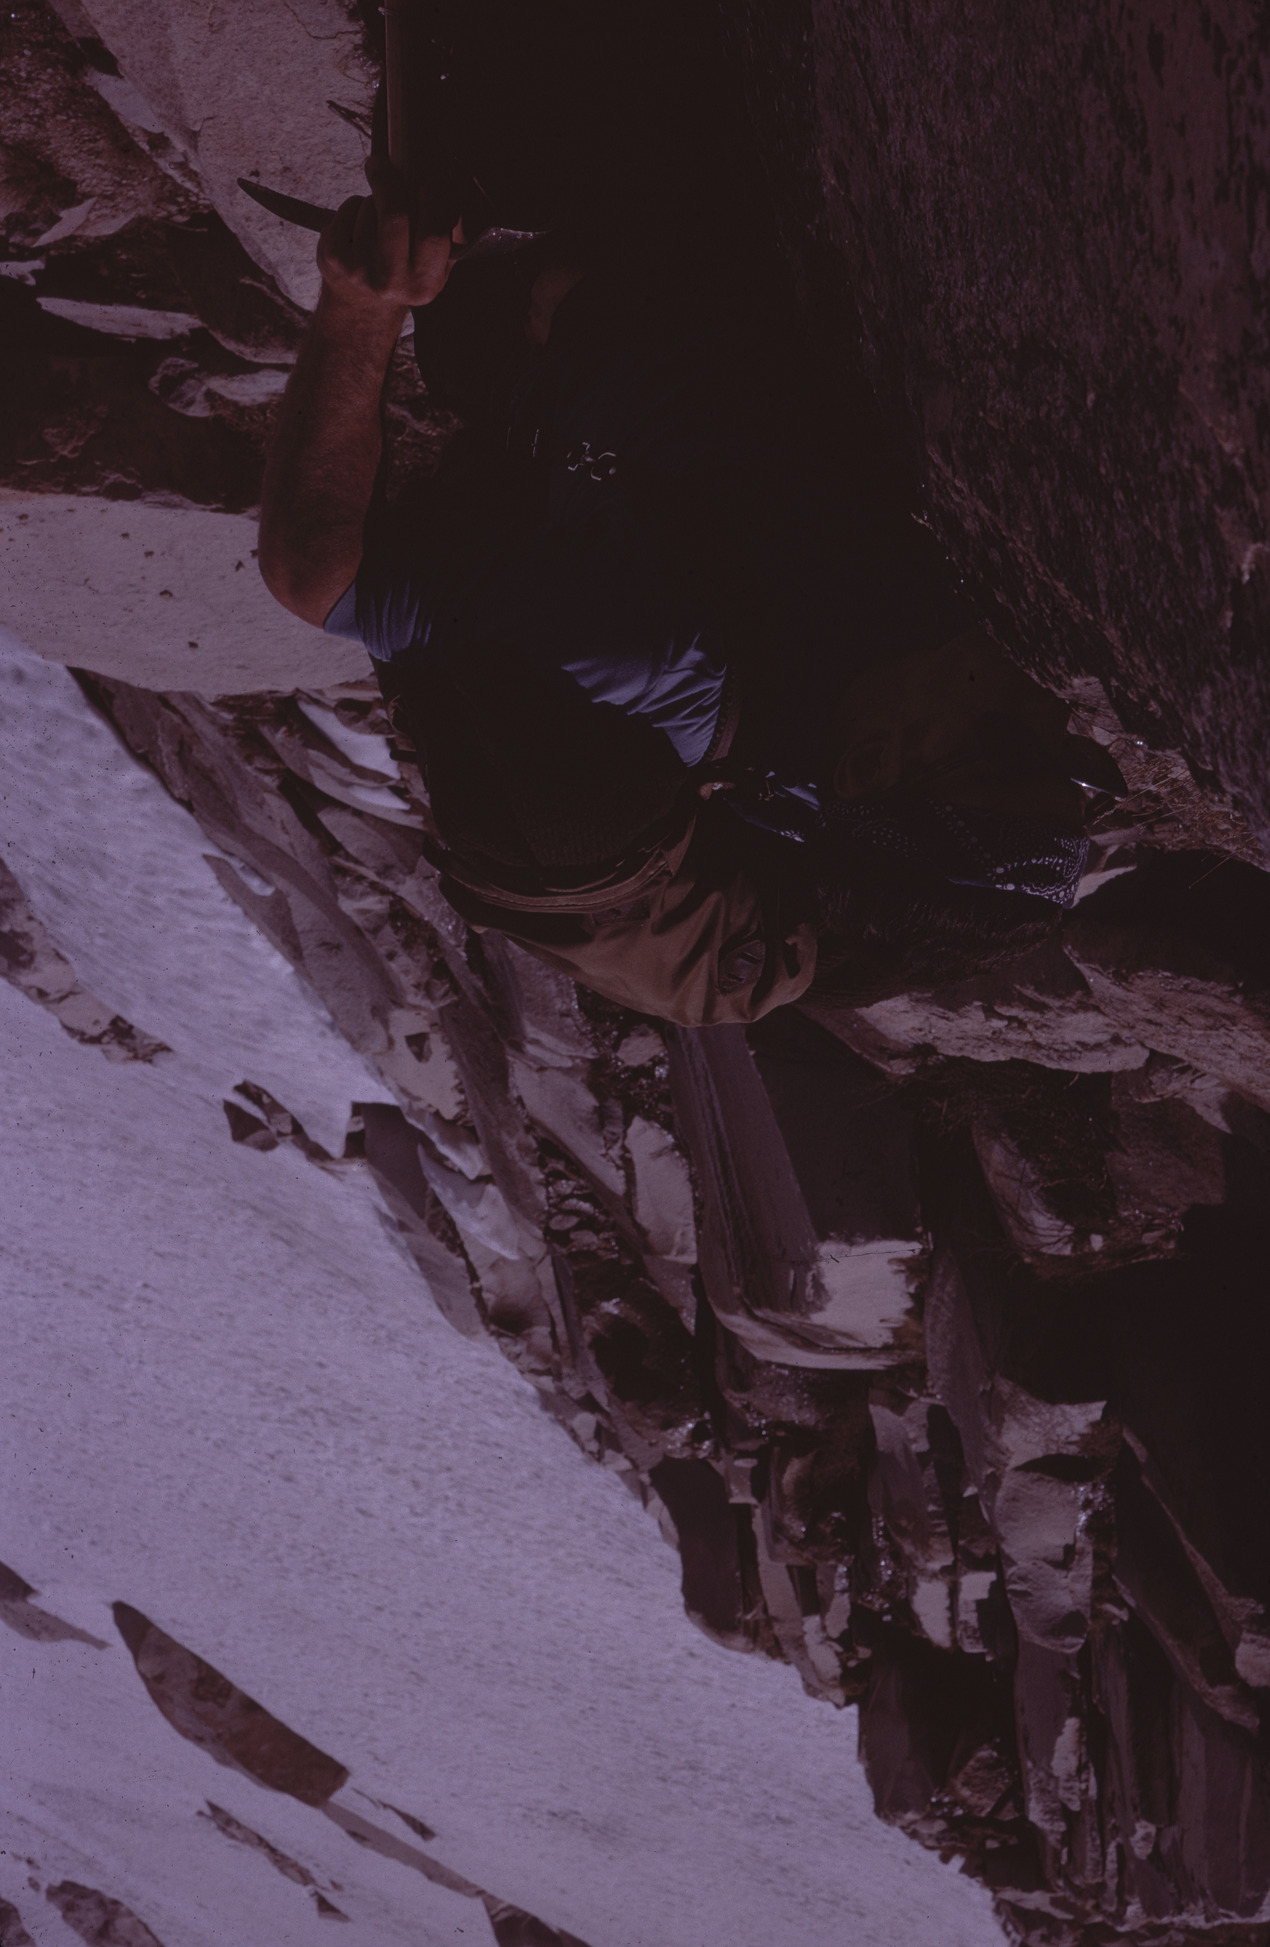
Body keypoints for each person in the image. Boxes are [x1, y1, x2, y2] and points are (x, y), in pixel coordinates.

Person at [260, 147, 1119, 1027]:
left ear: (870, 763)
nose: (1056, 714)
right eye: (1077, 769)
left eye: (1012, 745)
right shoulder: (934, 678)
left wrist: (363, 306)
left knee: (565, 289)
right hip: (660, 427)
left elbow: (317, 574)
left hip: (544, 419)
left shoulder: (651, 655)